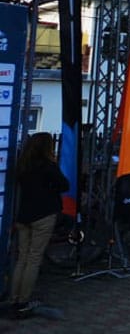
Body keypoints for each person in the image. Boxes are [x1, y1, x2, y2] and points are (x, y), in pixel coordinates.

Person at [9, 132, 69, 319]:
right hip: (43, 215)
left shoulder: (23, 166)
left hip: (24, 215)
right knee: (34, 258)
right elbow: (64, 185)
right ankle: (24, 300)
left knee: (22, 258)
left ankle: (14, 297)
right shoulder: (48, 166)